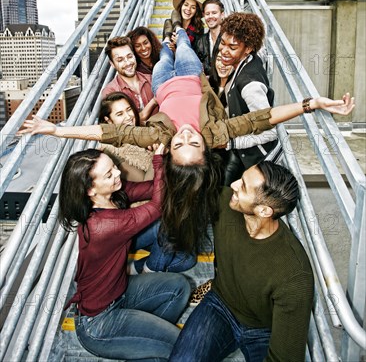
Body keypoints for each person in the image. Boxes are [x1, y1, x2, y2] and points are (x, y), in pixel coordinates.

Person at [19, 26, 355, 255]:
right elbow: (259, 119)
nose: (186, 136)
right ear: (206, 151)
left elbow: (111, 132)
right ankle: (178, 33)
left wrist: (57, 130)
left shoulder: (158, 134)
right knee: (184, 49)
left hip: (164, 82)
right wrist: (313, 103)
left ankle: (170, 38)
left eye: (179, 146)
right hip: (194, 79)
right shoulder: (213, 135)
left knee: (165, 57)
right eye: (193, 145)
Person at [169, 161, 314, 362]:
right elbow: (187, 188)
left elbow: (285, 358)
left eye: (244, 186)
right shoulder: (225, 201)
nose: (234, 184)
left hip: (263, 330)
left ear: (264, 211)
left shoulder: (294, 275)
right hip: (220, 305)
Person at [58, 145, 190, 360]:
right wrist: (158, 160)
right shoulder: (102, 225)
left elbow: (151, 188)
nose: (118, 173)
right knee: (181, 345)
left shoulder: (113, 196)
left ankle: (147, 344)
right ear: (90, 190)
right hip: (99, 324)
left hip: (121, 293)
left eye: (114, 167)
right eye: (109, 174)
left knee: (179, 286)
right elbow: (157, 206)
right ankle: (151, 344)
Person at [98, 91, 196, 273]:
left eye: (129, 110)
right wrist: (157, 154)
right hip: (129, 228)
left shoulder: (139, 136)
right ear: (108, 121)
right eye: (119, 114)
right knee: (169, 224)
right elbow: (148, 183)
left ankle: (133, 269)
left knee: (188, 260)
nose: (128, 117)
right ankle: (150, 271)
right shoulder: (111, 150)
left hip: (150, 217)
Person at [219, 12, 282, 181]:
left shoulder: (250, 86)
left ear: (248, 48)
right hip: (243, 152)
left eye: (232, 47)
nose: (224, 51)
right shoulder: (247, 61)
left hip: (257, 159)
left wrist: (232, 143)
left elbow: (271, 133)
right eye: (222, 43)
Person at [102, 36, 158, 122]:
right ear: (112, 64)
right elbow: (125, 123)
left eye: (129, 56)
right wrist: (154, 101)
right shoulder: (110, 92)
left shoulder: (152, 79)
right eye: (120, 60)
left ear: (134, 56)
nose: (128, 63)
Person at [196, 0, 225, 75]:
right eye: (207, 14)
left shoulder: (230, 38)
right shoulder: (200, 41)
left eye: (214, 13)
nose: (210, 16)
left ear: (222, 15)